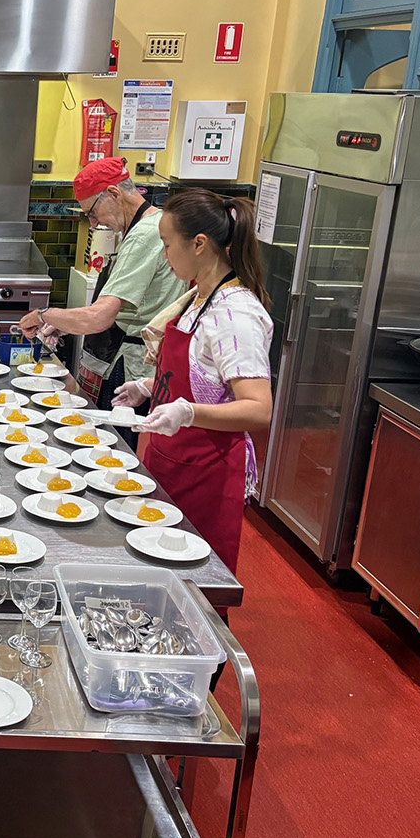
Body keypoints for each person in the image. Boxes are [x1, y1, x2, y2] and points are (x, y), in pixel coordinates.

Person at [119, 188, 274, 575]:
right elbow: (202, 376)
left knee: (191, 586)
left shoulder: (235, 314)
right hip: (169, 460)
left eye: (167, 245)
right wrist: (150, 386)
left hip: (204, 473)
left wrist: (187, 411)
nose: (165, 254)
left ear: (199, 244)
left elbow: (258, 409)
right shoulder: (198, 298)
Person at [18, 158, 184, 435]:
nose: (94, 224)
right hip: (136, 360)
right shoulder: (150, 225)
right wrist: (66, 322)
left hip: (129, 365)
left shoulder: (143, 236)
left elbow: (100, 317)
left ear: (114, 194)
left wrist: (43, 315)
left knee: (113, 448)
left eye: (92, 213)